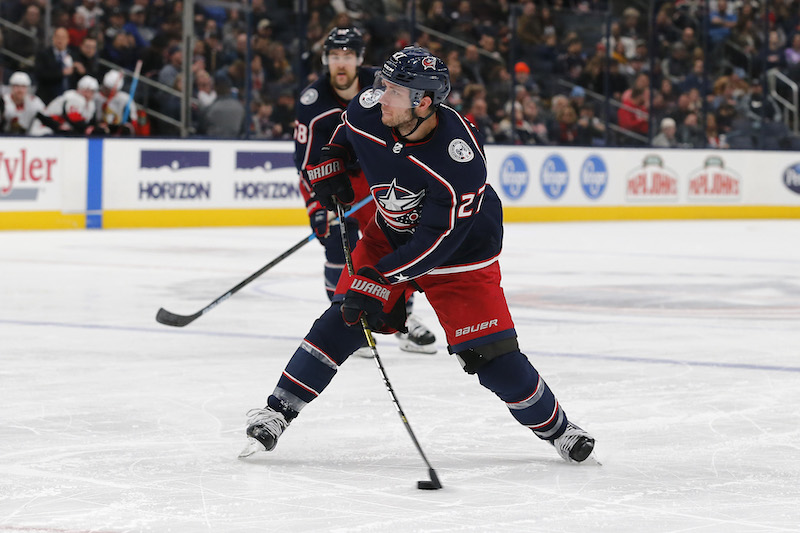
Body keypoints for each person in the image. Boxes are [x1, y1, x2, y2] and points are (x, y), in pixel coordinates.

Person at [241, 46, 596, 465]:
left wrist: (380, 278)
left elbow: (436, 243)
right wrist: (333, 160)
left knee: (491, 360)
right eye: (382, 85)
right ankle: (277, 412)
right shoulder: (371, 108)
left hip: (460, 254)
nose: (379, 94)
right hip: (390, 236)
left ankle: (558, 429)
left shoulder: (459, 160)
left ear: (423, 103)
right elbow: (346, 128)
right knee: (343, 318)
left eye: (392, 90)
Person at [293, 27, 437, 356]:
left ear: (359, 59)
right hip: (336, 184)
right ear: (325, 59)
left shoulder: (385, 85)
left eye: (347, 56)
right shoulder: (312, 102)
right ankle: (347, 324)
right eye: (334, 56)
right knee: (337, 247)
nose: (340, 64)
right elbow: (304, 163)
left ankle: (403, 320)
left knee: (396, 243)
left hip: (381, 182)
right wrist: (316, 207)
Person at [29, 75, 99, 136]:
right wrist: (89, 128)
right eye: (86, 91)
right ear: (79, 89)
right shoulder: (73, 97)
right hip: (45, 127)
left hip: (59, 128)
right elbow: (75, 119)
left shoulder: (91, 104)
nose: (88, 94)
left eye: (91, 91)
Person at [95, 69, 137, 135]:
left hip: (119, 128)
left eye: (111, 90)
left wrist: (127, 126)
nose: (108, 92)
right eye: (106, 88)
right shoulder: (96, 97)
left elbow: (133, 118)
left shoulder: (125, 98)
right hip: (101, 127)